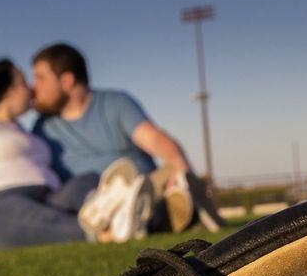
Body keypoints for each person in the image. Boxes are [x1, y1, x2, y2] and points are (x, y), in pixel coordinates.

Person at [0, 59, 150, 258]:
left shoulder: (29, 132)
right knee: (33, 219)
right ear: (5, 90)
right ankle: (108, 231)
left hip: (48, 197)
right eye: (24, 83)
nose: (32, 89)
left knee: (86, 181)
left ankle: (113, 209)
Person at [29, 42, 220, 232]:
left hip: (140, 187)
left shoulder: (115, 103)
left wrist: (180, 168)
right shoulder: (42, 127)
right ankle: (140, 216)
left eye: (40, 78)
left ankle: (150, 210)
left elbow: (153, 138)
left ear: (67, 81)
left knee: (159, 181)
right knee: (75, 190)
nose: (34, 87)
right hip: (87, 199)